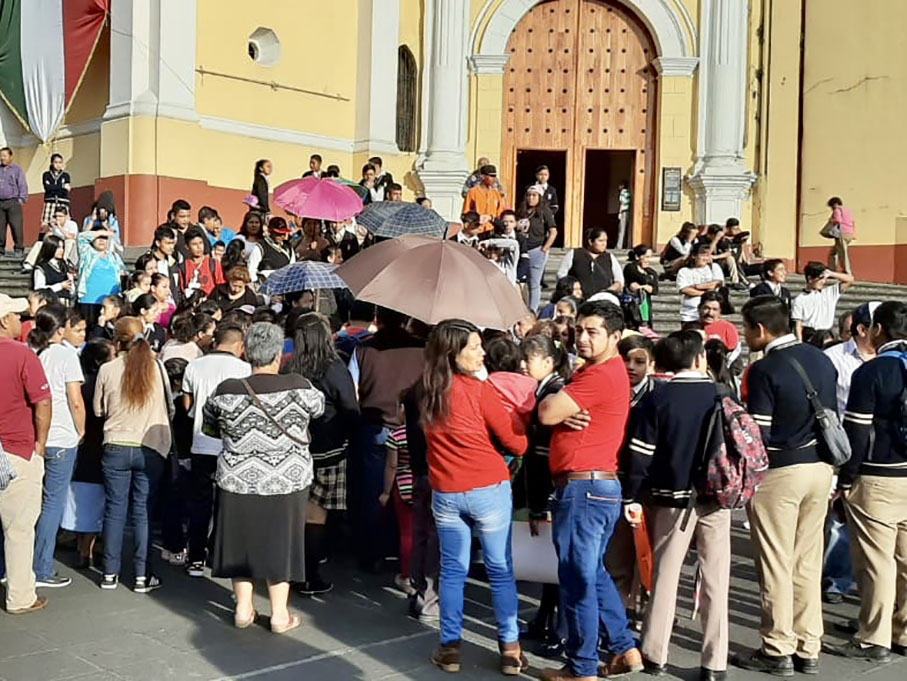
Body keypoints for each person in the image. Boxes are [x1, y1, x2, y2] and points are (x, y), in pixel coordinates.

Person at [537, 301, 643, 680]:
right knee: (592, 574)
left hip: (584, 487)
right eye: (579, 330)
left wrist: (555, 407)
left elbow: (547, 412)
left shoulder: (599, 375)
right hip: (595, 486)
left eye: (592, 331)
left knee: (577, 580)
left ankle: (581, 668)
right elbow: (555, 410)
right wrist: (560, 407)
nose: (581, 337)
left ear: (615, 336)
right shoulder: (600, 371)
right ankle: (624, 648)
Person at [734, 296, 838, 676]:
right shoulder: (821, 359)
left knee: (776, 561)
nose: (746, 336)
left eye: (747, 328)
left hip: (781, 471)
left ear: (760, 329)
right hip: (820, 467)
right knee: (807, 561)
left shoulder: (765, 369)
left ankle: (777, 646)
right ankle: (809, 645)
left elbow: (757, 435)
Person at [420, 320, 529, 675]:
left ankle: (449, 647)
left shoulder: (426, 392)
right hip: (488, 488)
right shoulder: (480, 391)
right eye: (474, 347)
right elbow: (516, 443)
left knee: (452, 570)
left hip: (446, 490)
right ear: (454, 353)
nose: (482, 353)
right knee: (500, 569)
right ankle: (510, 649)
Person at [203, 322, 324, 633]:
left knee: (239, 541)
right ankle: (280, 614)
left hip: (237, 478)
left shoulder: (226, 390)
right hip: (287, 479)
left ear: (246, 352)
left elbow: (209, 426)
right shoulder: (300, 386)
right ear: (278, 355)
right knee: (281, 541)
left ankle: (243, 608)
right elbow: (319, 410)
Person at [623, 331, 730, 681]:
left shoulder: (658, 398)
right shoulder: (722, 395)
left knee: (665, 576)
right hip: (716, 497)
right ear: (700, 358)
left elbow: (640, 456)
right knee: (716, 579)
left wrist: (632, 496)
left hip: (671, 498)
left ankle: (656, 652)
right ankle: (715, 661)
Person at [833, 301, 907, 661]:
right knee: (906, 559)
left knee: (876, 561)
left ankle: (873, 636)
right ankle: (902, 630)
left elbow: (858, 431)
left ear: (877, 330)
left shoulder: (872, 371)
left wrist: (846, 478)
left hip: (878, 474)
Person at [93, 316, 173, 593]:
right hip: (150, 446)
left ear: (117, 341)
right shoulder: (157, 367)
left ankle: (109, 574)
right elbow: (170, 408)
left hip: (115, 444)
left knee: (114, 510)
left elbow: (98, 410)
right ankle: (142, 575)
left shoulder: (107, 369)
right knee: (142, 512)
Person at [283, 313, 359, 595]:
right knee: (316, 516)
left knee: (296, 515)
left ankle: (291, 570)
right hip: (329, 449)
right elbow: (350, 407)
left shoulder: (289, 367)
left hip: (294, 449)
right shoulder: (333, 367)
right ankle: (309, 575)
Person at [349, 308, 425, 572]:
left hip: (374, 423)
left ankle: (372, 552)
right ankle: (406, 551)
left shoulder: (363, 349)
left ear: (377, 320)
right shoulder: (422, 349)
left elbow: (353, 389)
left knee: (374, 491)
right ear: (406, 319)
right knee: (411, 489)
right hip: (412, 427)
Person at [180, 324, 251, 577]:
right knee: (228, 503)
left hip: (201, 443)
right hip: (233, 447)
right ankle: (220, 556)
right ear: (239, 345)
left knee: (200, 502)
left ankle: (195, 558)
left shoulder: (194, 366)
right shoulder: (245, 370)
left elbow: (187, 406)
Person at [820, 302, 879, 605]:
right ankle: (837, 580)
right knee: (839, 519)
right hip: (844, 448)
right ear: (864, 329)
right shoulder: (834, 358)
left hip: (883, 452)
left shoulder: (896, 360)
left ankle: (872, 588)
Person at [27, 305, 86, 588]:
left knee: (33, 501)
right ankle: (41, 567)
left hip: (37, 434)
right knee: (53, 503)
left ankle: (23, 562)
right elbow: (75, 399)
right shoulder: (66, 355)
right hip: (62, 435)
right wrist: (81, 429)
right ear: (61, 329)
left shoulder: (35, 353)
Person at [0, 293, 51, 614]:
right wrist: (40, 444)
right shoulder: (22, 355)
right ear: (4, 320)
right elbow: (42, 402)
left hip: (13, 445)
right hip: (16, 447)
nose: (21, 320)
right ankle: (20, 596)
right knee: (19, 529)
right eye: (17, 316)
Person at [518, 334, 569, 651]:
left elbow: (542, 457)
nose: (523, 365)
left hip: (551, 488)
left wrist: (538, 505)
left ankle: (560, 630)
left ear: (549, 361)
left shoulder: (553, 394)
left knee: (558, 563)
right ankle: (544, 620)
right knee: (551, 563)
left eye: (530, 359)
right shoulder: (545, 390)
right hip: (548, 487)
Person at [63, 338, 115, 570]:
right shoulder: (103, 383)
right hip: (99, 444)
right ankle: (90, 548)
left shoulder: (79, 383)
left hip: (79, 445)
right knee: (97, 500)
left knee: (80, 498)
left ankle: (81, 546)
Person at [791, 261, 854, 344]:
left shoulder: (829, 293)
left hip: (827, 335)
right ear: (810, 279)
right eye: (820, 279)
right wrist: (800, 343)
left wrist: (831, 273)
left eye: (824, 279)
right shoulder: (800, 299)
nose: (823, 281)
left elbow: (850, 279)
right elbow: (798, 325)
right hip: (810, 336)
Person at [519, 185, 558, 312]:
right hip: (522, 250)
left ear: (539, 197)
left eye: (534, 195)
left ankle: (533, 310)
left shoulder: (544, 211)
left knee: (534, 283)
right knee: (520, 282)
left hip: (536, 250)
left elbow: (553, 231)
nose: (531, 198)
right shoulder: (521, 211)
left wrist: (545, 248)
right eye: (529, 195)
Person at [76, 227, 125, 326]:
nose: (102, 240)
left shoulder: (114, 256)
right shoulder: (87, 253)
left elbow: (122, 273)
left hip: (109, 303)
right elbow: (81, 237)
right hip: (90, 300)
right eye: (98, 237)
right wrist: (103, 232)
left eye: (104, 238)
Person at [567, 227, 624, 298]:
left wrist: (607, 292)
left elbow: (619, 281)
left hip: (603, 300)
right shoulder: (575, 254)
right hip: (578, 299)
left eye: (605, 241)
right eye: (600, 241)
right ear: (590, 242)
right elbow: (562, 275)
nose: (604, 244)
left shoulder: (609, 257)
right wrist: (572, 290)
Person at [676, 245, 724, 324]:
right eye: (702, 255)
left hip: (711, 315)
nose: (705, 258)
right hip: (690, 315)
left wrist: (696, 286)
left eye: (707, 255)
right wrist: (705, 293)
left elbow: (715, 284)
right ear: (694, 256)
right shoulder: (684, 271)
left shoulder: (714, 267)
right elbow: (684, 289)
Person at [178, 226, 225, 299]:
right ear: (187, 247)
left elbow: (220, 285)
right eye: (194, 244)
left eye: (200, 243)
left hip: (210, 302)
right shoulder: (183, 267)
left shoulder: (213, 264)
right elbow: (182, 289)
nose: (199, 247)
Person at [697, 291, 742, 364]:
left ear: (720, 311)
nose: (710, 313)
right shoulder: (690, 327)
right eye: (706, 308)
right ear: (699, 308)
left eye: (714, 309)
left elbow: (734, 356)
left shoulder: (728, 328)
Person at [0, 147, 27, 257]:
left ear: (11, 156)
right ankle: (0, 249)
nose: (2, 158)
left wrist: (21, 199)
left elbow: (22, 184)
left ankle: (19, 248)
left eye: (4, 156)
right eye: (1, 156)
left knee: (16, 227)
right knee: (0, 228)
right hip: (0, 203)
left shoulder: (17, 170)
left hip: (13, 202)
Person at [623, 245, 659, 328]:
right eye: (646, 257)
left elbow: (655, 290)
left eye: (649, 257)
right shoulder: (630, 267)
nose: (648, 260)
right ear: (637, 257)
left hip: (645, 306)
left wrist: (643, 286)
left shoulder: (651, 272)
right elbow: (641, 278)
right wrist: (646, 285)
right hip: (632, 307)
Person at [33, 235, 75, 304]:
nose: (61, 250)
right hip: (51, 304)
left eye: (63, 247)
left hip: (65, 304)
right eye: (58, 247)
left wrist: (71, 281)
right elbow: (39, 290)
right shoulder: (42, 267)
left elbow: (71, 292)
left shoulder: (63, 266)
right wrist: (60, 286)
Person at [462, 164, 506, 230]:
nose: (494, 179)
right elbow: (466, 213)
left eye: (495, 176)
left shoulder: (496, 194)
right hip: (477, 229)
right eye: (491, 176)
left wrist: (490, 218)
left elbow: (500, 214)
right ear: (483, 176)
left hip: (492, 229)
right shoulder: (473, 192)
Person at [41, 153, 71, 228]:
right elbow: (48, 188)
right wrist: (62, 186)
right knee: (46, 224)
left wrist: (54, 187)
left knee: (65, 224)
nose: (58, 165)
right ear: (52, 163)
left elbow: (66, 190)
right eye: (56, 162)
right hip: (50, 202)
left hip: (63, 202)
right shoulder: (46, 175)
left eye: (60, 162)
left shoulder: (65, 175)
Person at [827, 196, 855, 275]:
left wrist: (831, 220)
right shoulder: (847, 210)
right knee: (833, 252)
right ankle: (832, 269)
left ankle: (847, 271)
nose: (831, 208)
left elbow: (838, 220)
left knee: (843, 253)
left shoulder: (837, 210)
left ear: (835, 204)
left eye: (831, 206)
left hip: (842, 233)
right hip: (850, 233)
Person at [616, 182, 631, 250]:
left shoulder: (623, 192)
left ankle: (619, 246)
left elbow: (623, 203)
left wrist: (620, 213)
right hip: (627, 211)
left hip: (624, 211)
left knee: (621, 229)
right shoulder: (628, 192)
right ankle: (626, 245)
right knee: (625, 229)